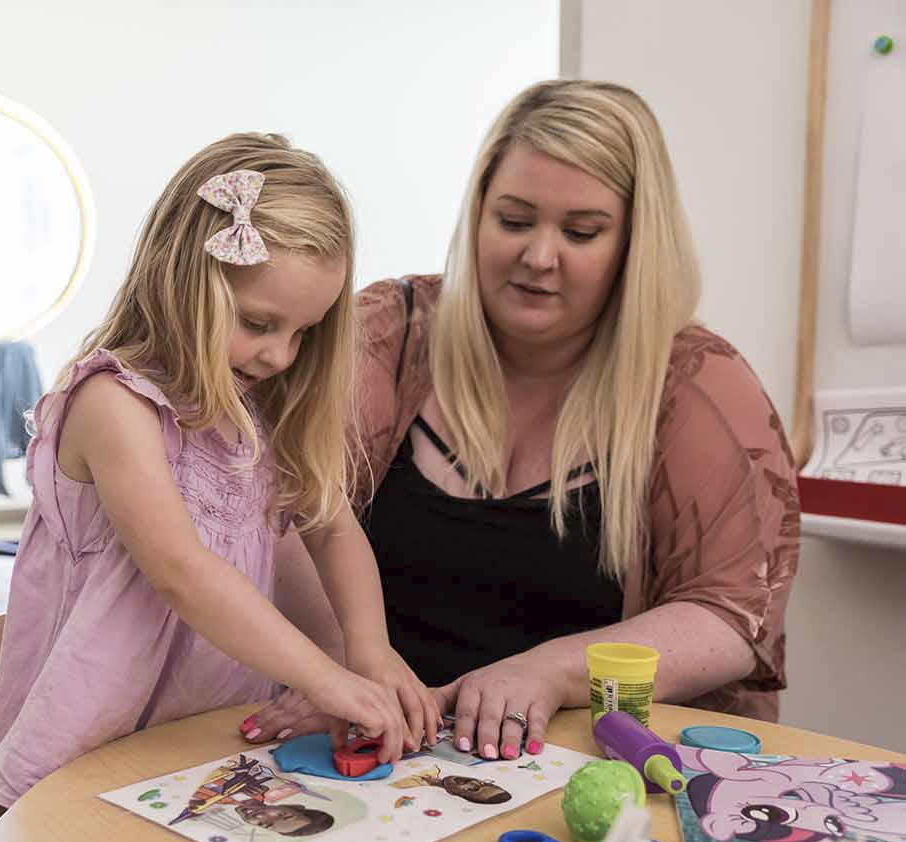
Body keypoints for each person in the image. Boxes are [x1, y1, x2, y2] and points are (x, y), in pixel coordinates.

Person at [244, 80, 799, 762]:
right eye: (513, 220)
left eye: (581, 232)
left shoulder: (698, 384)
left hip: (572, 765)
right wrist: (338, 669)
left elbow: (732, 613)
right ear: (476, 215)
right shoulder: (388, 336)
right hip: (366, 748)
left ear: (635, 244)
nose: (539, 257)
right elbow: (275, 506)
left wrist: (552, 670)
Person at [0, 134, 439, 809]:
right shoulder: (114, 405)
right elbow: (183, 573)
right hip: (86, 755)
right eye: (260, 322)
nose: (282, 356)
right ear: (184, 278)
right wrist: (325, 678)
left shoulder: (260, 414)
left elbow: (333, 530)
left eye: (304, 332)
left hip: (201, 747)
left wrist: (367, 650)